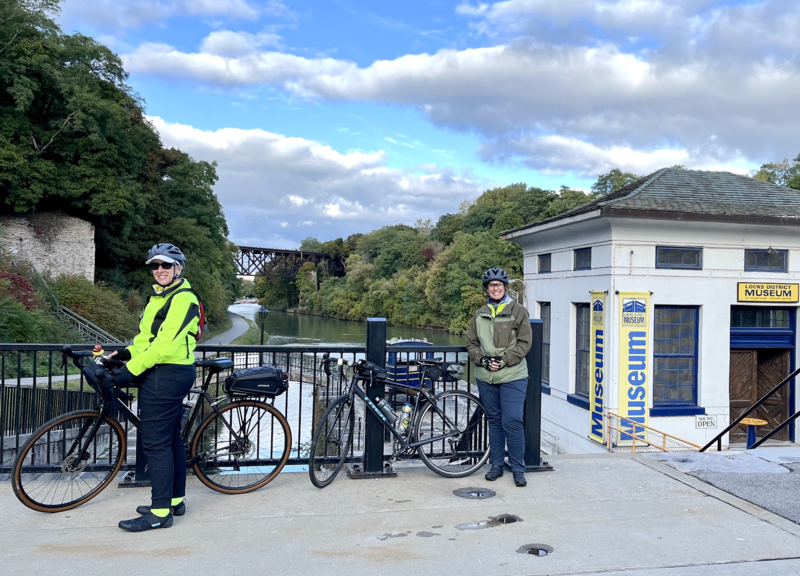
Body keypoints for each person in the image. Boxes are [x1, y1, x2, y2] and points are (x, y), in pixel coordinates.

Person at [110, 243, 201, 532]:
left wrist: (129, 372)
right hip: (161, 371)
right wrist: (126, 354)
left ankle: (160, 513)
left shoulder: (184, 299)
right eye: (155, 266)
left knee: (156, 443)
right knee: (171, 438)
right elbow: (145, 339)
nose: (159, 270)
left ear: (179, 268)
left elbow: (164, 346)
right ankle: (175, 500)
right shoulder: (159, 297)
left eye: (165, 265)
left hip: (168, 374)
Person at [466, 267, 532, 487]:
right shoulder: (480, 313)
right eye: (491, 285)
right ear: (487, 289)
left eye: (499, 285)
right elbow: (472, 343)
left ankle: (518, 468)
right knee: (494, 421)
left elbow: (524, 342)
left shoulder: (519, 311)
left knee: (512, 420)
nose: (495, 288)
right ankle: (496, 465)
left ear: (505, 288)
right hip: (486, 376)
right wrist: (481, 359)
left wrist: (504, 359)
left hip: (513, 374)